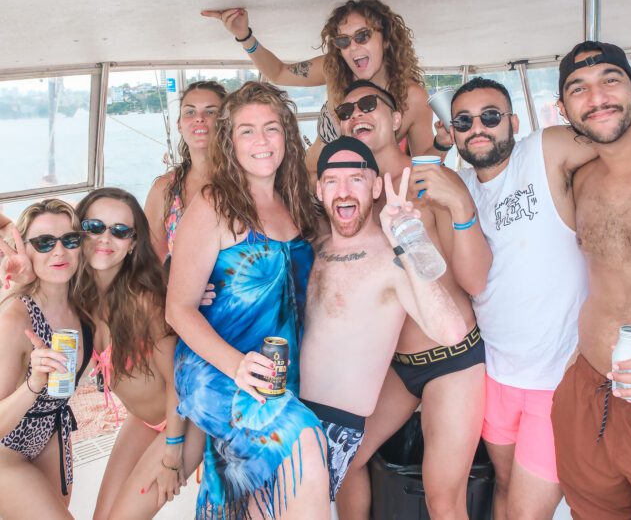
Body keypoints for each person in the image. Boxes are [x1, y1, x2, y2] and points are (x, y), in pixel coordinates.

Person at [166, 81, 330, 519]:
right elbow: (178, 308)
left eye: (271, 128)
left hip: (277, 372)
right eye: (246, 131)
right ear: (229, 142)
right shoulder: (213, 204)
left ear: (287, 136)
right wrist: (235, 366)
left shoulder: (298, 201)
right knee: (305, 445)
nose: (261, 141)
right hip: (217, 368)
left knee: (248, 496)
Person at [335, 80, 492, 520]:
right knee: (343, 460)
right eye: (345, 112)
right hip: (397, 367)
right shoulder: (351, 196)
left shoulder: (433, 181)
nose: (356, 115)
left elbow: (475, 278)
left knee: (444, 499)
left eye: (369, 104)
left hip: (454, 360)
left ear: (397, 119)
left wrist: (459, 205)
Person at [449, 76, 598, 519]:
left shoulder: (542, 151)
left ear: (512, 121)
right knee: (506, 487)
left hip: (554, 380)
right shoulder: (459, 187)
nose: (478, 127)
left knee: (527, 513)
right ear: (452, 131)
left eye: (490, 116)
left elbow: (615, 142)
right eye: (464, 120)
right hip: (494, 376)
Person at [301, 135, 466, 501]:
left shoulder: (391, 259)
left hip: (334, 429)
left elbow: (452, 331)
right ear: (319, 189)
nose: (343, 191)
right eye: (332, 181)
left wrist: (406, 239)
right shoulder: (311, 246)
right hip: (286, 413)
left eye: (355, 179)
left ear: (376, 186)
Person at [550, 41, 631, 518]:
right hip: (588, 389)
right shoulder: (581, 179)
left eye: (610, 80)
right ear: (564, 108)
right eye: (578, 89)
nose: (597, 97)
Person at [72, 188, 206, 519]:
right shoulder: (81, 297)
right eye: (94, 226)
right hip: (144, 420)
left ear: (132, 243)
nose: (106, 238)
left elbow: (179, 378)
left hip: (185, 422)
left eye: (119, 231)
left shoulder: (143, 300)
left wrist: (173, 453)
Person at [203, 0, 448, 173]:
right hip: (310, 181)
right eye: (343, 40)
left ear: (385, 40)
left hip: (360, 198)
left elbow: (424, 165)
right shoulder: (333, 69)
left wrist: (443, 144)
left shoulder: (411, 96)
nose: (352, 47)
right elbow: (277, 72)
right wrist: (244, 36)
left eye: (363, 36)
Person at [0, 199, 93, 520]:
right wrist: (33, 383)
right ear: (24, 249)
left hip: (51, 430)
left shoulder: (85, 305)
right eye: (43, 243)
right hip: (5, 451)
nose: (59, 252)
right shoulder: (16, 318)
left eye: (70, 240)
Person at [145, 80, 227, 261]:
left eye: (211, 112)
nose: (199, 118)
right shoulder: (164, 189)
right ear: (179, 125)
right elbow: (151, 264)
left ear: (226, 122)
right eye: (190, 112)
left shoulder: (247, 181)